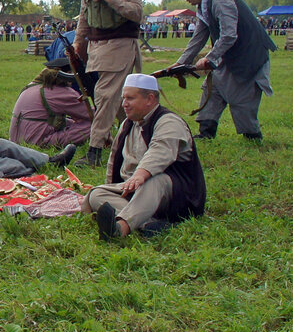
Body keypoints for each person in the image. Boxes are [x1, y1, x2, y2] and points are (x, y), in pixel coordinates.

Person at [84, 74, 206, 241]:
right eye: (123, 98)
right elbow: (114, 157)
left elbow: (159, 152)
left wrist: (140, 175)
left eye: (130, 98)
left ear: (149, 99)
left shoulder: (169, 122)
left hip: (175, 195)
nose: (124, 104)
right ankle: (149, 224)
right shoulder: (127, 123)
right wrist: (112, 185)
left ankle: (120, 229)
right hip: (134, 188)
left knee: (155, 180)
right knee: (97, 194)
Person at [170, 0, 277, 140]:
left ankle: (253, 137)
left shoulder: (219, 1)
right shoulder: (204, 6)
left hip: (249, 57)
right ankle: (206, 132)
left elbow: (229, 34)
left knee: (242, 99)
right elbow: (198, 38)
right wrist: (180, 63)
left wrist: (209, 58)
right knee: (213, 90)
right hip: (229, 56)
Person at [74, 0, 144, 167]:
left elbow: (137, 13)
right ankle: (138, 141)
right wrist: (78, 42)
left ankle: (94, 152)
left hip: (120, 44)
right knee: (119, 102)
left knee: (105, 97)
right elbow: (85, 10)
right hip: (97, 47)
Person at [9, 57, 92, 148]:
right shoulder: (61, 92)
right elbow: (90, 114)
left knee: (70, 122)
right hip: (37, 142)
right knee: (93, 126)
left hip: (17, 139)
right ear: (68, 75)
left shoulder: (31, 86)